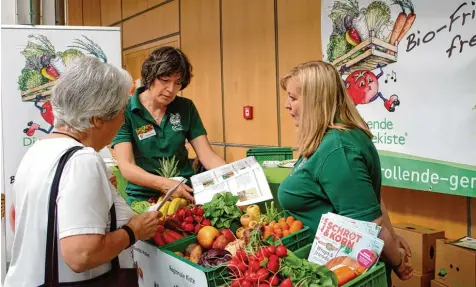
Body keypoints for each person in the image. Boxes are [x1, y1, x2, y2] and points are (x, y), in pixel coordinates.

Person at [4, 56, 161, 286]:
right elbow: (81, 256)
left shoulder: (39, 149)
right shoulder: (82, 160)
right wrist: (133, 231)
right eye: (121, 111)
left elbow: (18, 217)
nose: (122, 120)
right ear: (98, 119)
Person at [277, 60, 413, 284]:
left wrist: (398, 261)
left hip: (341, 274)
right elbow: (373, 201)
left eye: (293, 98)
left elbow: (371, 226)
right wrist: (394, 238)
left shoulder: (338, 149)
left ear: (315, 100)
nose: (286, 105)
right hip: (324, 269)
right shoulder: (326, 139)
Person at [112, 46, 226, 205]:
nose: (171, 90)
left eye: (178, 83)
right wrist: (165, 185)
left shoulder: (185, 108)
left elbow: (208, 156)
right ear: (150, 76)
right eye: (165, 81)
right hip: (143, 199)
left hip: (184, 196)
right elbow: (126, 166)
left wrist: (233, 174)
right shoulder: (126, 110)